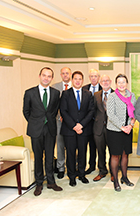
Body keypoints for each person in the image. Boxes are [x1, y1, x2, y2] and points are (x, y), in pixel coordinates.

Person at [23, 67, 63, 196]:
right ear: (39, 76)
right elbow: (26, 111)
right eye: (44, 75)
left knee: (50, 156)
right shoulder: (29, 92)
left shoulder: (56, 93)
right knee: (39, 157)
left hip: (50, 129)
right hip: (36, 130)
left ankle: (51, 181)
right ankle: (39, 183)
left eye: (49, 76)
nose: (46, 78)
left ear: (52, 78)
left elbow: (55, 110)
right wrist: (36, 122)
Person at [60, 71, 94, 187]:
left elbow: (91, 111)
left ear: (83, 81)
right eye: (75, 79)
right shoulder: (65, 94)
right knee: (70, 154)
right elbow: (63, 111)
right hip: (69, 130)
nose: (78, 81)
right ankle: (72, 176)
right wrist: (74, 126)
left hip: (84, 129)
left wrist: (81, 125)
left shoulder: (88, 94)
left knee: (83, 153)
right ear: (72, 80)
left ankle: (82, 174)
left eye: (80, 79)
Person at [106, 74, 136, 192]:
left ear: (127, 83)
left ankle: (124, 177)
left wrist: (130, 125)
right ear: (116, 84)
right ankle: (116, 181)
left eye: (123, 82)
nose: (121, 84)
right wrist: (122, 127)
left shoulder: (131, 95)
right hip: (114, 130)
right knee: (115, 155)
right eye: (119, 82)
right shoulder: (112, 96)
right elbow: (110, 114)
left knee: (125, 154)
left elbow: (133, 112)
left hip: (128, 130)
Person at [92, 75, 114, 182]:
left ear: (110, 82)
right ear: (100, 83)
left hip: (112, 128)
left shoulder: (116, 94)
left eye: (107, 80)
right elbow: (92, 110)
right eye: (103, 81)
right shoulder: (96, 95)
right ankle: (102, 171)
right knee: (100, 151)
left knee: (113, 151)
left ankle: (113, 172)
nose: (105, 82)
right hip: (98, 128)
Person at [51, 67, 72, 179]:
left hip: (73, 122)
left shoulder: (76, 85)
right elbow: (54, 105)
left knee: (73, 145)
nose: (65, 75)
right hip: (59, 121)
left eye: (67, 73)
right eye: (63, 73)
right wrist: (60, 115)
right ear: (60, 75)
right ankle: (60, 167)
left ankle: (73, 166)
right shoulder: (54, 87)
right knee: (60, 144)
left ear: (70, 74)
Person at [82, 69, 102, 174]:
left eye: (95, 76)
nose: (93, 78)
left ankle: (101, 166)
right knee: (90, 146)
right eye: (91, 76)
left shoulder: (104, 89)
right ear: (89, 78)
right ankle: (91, 166)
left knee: (99, 145)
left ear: (99, 78)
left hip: (99, 122)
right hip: (87, 123)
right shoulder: (84, 89)